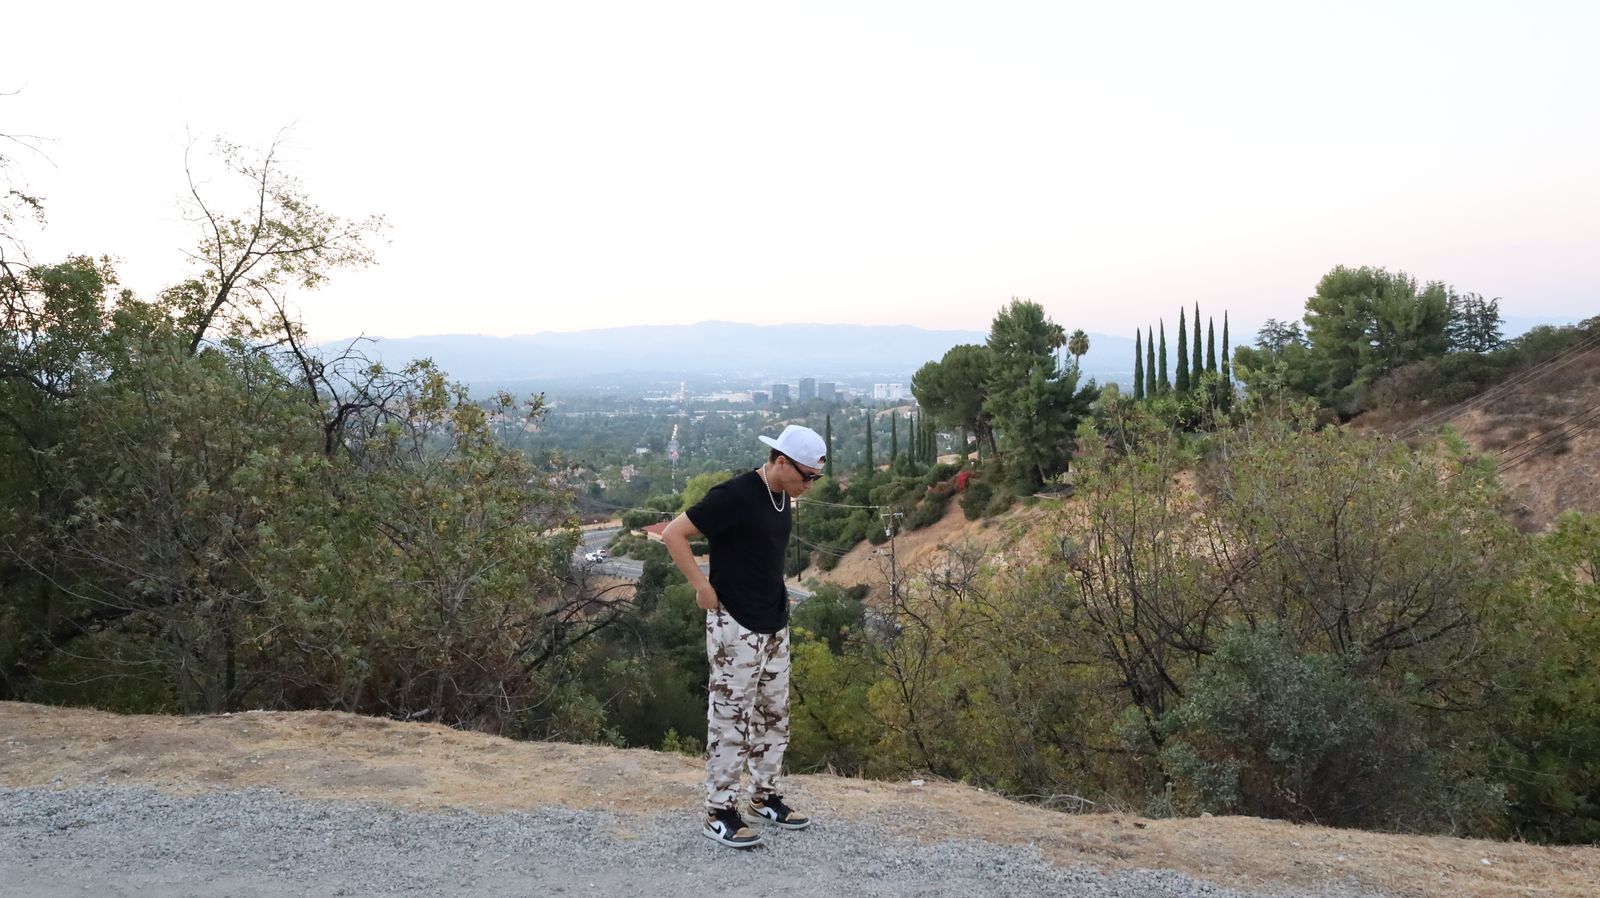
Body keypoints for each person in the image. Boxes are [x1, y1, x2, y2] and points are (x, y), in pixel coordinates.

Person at [662, 423, 825, 848]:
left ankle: (764, 797)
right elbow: (673, 534)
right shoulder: (734, 495)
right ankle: (719, 811)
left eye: (816, 477)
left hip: (773, 621)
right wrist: (702, 587)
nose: (810, 485)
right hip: (735, 624)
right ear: (782, 462)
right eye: (807, 476)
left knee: (774, 715)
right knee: (730, 718)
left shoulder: (781, 495)